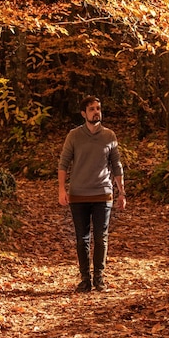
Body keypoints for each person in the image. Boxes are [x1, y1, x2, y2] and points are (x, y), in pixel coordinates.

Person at [58, 96, 126, 292]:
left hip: (103, 194)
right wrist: (62, 189)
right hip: (78, 195)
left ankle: (99, 277)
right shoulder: (74, 136)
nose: (96, 112)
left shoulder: (109, 136)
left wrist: (121, 192)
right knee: (82, 238)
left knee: (101, 237)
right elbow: (63, 163)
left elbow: (117, 165)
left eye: (98, 108)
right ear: (83, 114)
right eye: (91, 109)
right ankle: (85, 278)